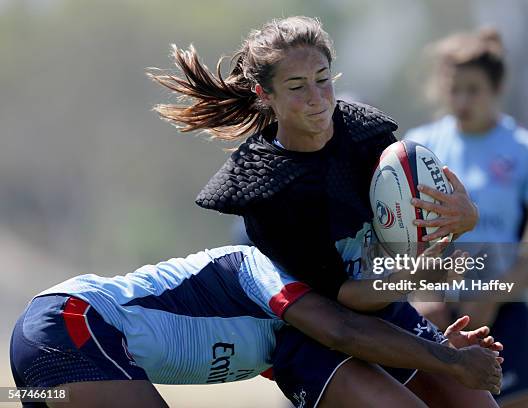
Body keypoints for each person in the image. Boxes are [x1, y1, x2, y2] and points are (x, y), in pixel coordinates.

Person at [150, 16, 498, 407]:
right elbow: (345, 301)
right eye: (297, 87)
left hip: (384, 313)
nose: (317, 98)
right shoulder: (266, 188)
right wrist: (428, 321)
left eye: (323, 78)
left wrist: (463, 220)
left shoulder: (366, 134)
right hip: (312, 339)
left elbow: (405, 239)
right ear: (266, 94)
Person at [10, 245, 503, 407]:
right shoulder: (257, 269)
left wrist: (434, 346)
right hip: (71, 321)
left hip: (53, 349)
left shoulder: (287, 343)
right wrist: (451, 361)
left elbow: (357, 343)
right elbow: (342, 333)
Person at [403, 28, 528, 408]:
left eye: (472, 90)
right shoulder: (420, 146)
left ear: (496, 88)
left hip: (503, 315)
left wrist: (492, 296)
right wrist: (423, 293)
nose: (461, 100)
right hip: (436, 315)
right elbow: (404, 230)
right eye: (453, 89)